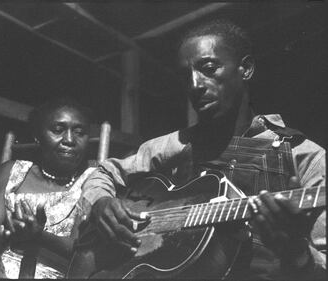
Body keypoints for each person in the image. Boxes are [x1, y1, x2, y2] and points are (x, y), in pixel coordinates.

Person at [70, 19, 326, 279]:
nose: (195, 84)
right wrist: (102, 203)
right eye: (186, 75)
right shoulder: (175, 145)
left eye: (209, 68)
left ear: (246, 68)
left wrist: (297, 254)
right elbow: (104, 172)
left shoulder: (303, 156)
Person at [0, 98, 97, 278]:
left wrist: (38, 236)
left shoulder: (94, 180)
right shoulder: (12, 172)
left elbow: (81, 256)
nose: (69, 140)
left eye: (79, 132)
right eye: (58, 130)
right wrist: (6, 234)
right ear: (38, 137)